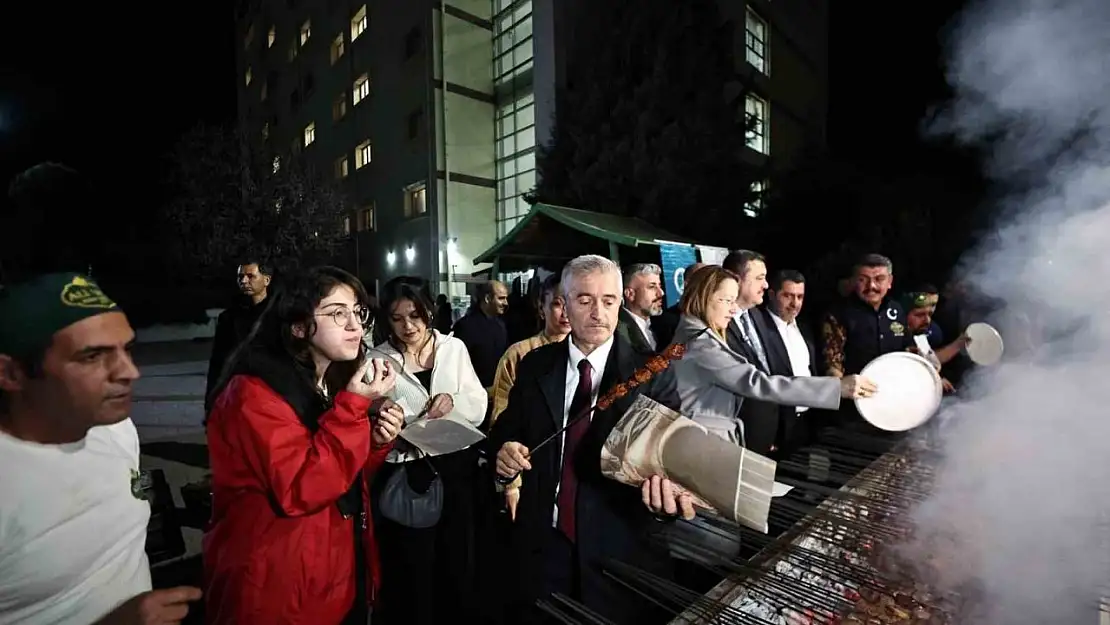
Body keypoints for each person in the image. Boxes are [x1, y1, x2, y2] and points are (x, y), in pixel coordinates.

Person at [489, 254, 694, 624]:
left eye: (608, 300)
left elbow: (667, 465)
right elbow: (507, 430)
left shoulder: (652, 374)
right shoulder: (536, 365)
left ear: (621, 301)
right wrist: (503, 454)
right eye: (584, 300)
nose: (598, 312)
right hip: (544, 548)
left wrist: (666, 503)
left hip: (619, 554)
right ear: (564, 305)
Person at [202, 266, 404, 625]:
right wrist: (354, 408)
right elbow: (302, 487)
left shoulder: (326, 384)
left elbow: (343, 482)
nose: (355, 326)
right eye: (337, 313)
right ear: (297, 326)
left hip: (329, 576)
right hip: (277, 589)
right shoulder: (253, 395)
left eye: (358, 312)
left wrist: (373, 442)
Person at [0, 272, 202, 624]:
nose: (129, 372)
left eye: (128, 349)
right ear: (12, 374)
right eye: (92, 356)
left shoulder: (116, 429)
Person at [367, 277, 487, 625]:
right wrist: (383, 417)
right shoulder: (378, 360)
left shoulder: (454, 349)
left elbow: (478, 404)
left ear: (429, 311)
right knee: (411, 567)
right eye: (397, 318)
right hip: (405, 470)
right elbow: (368, 415)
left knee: (456, 561)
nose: (408, 326)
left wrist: (454, 401)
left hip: (455, 469)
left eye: (416, 315)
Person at [669, 266, 877, 447]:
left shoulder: (690, 334)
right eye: (726, 300)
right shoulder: (701, 344)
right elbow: (759, 383)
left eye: (734, 301)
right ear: (704, 298)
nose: (733, 310)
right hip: (705, 444)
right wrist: (836, 387)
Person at [489, 273, 571, 425]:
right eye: (557, 304)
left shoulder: (585, 354)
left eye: (572, 303)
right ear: (541, 308)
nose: (566, 313)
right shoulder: (518, 353)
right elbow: (501, 412)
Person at [205, 259, 274, 412]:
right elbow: (218, 362)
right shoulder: (228, 318)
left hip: (272, 396)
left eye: (250, 276)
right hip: (238, 395)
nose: (244, 281)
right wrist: (210, 403)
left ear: (266, 280)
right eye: (240, 277)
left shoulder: (279, 316)